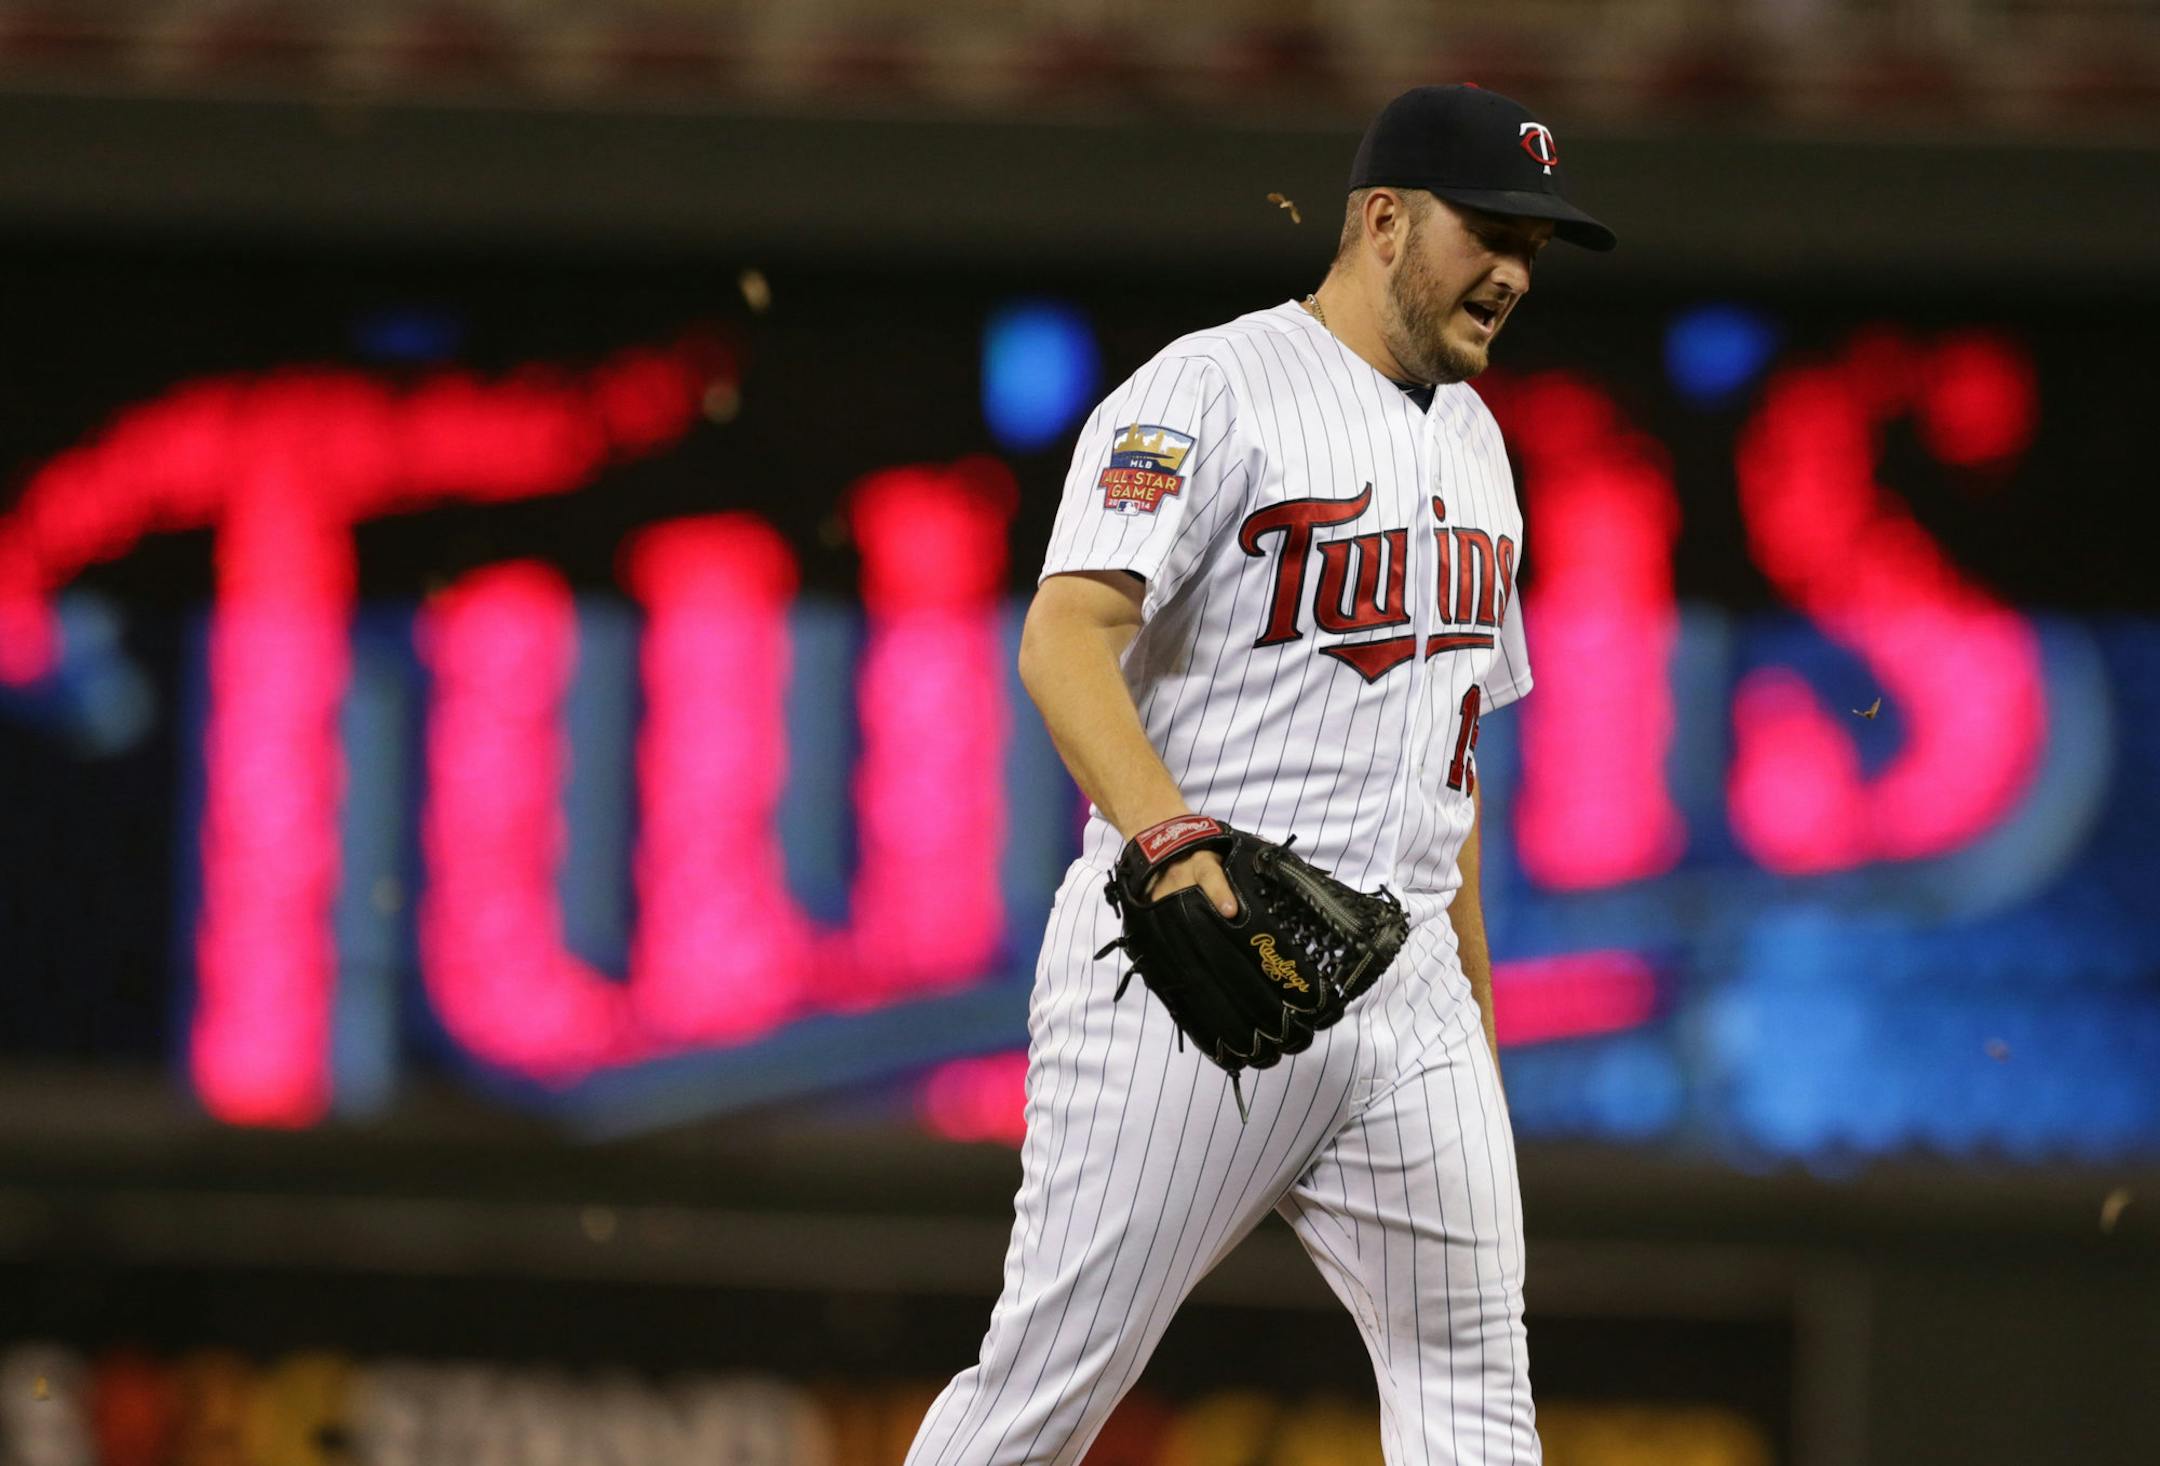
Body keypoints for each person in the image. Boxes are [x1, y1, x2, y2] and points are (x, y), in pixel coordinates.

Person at [906, 84, 1614, 1465]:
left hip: (1402, 985)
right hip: (1184, 954)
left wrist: (1469, 1007)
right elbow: (1065, 638)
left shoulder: (1480, 448)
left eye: (1537, 247)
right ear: (1385, 221)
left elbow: (1451, 752)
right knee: (1043, 1393)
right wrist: (1171, 839)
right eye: (1492, 231)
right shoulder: (1211, 387)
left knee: (1477, 1389)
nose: (1517, 272)